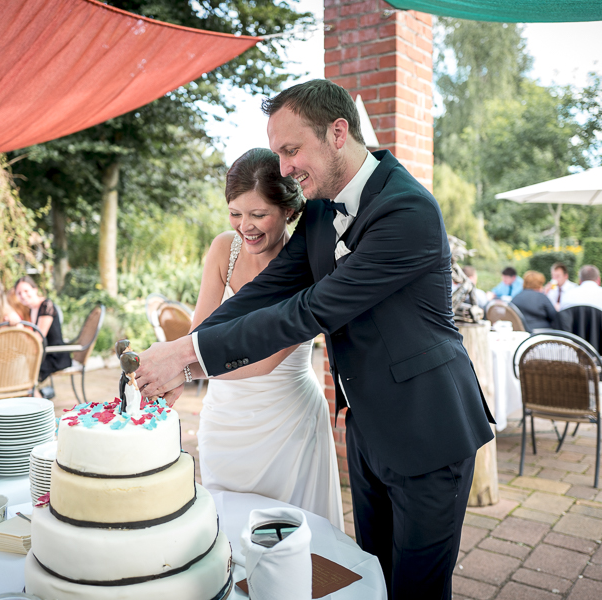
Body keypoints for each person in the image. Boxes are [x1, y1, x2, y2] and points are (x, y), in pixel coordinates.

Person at [133, 79, 494, 599]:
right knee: (374, 574)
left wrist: (187, 355)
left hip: (428, 429)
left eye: (290, 149)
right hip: (368, 429)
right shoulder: (323, 208)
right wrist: (182, 362)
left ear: (338, 133)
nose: (283, 168)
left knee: (417, 589)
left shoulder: (408, 211)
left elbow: (310, 309)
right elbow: (269, 289)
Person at [168, 148, 343, 529]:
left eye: (258, 214)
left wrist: (180, 372)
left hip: (289, 424)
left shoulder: (309, 263)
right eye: (235, 213)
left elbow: (264, 360)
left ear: (289, 211)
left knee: (294, 539)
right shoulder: (222, 250)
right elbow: (201, 332)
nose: (244, 226)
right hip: (224, 421)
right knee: (227, 532)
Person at [14, 276, 71, 388]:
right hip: (43, 353)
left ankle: (35, 399)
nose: (23, 295)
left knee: (21, 372)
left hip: (55, 355)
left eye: (26, 291)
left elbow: (38, 339)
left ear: (35, 290)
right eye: (19, 293)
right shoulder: (31, 308)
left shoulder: (46, 305)